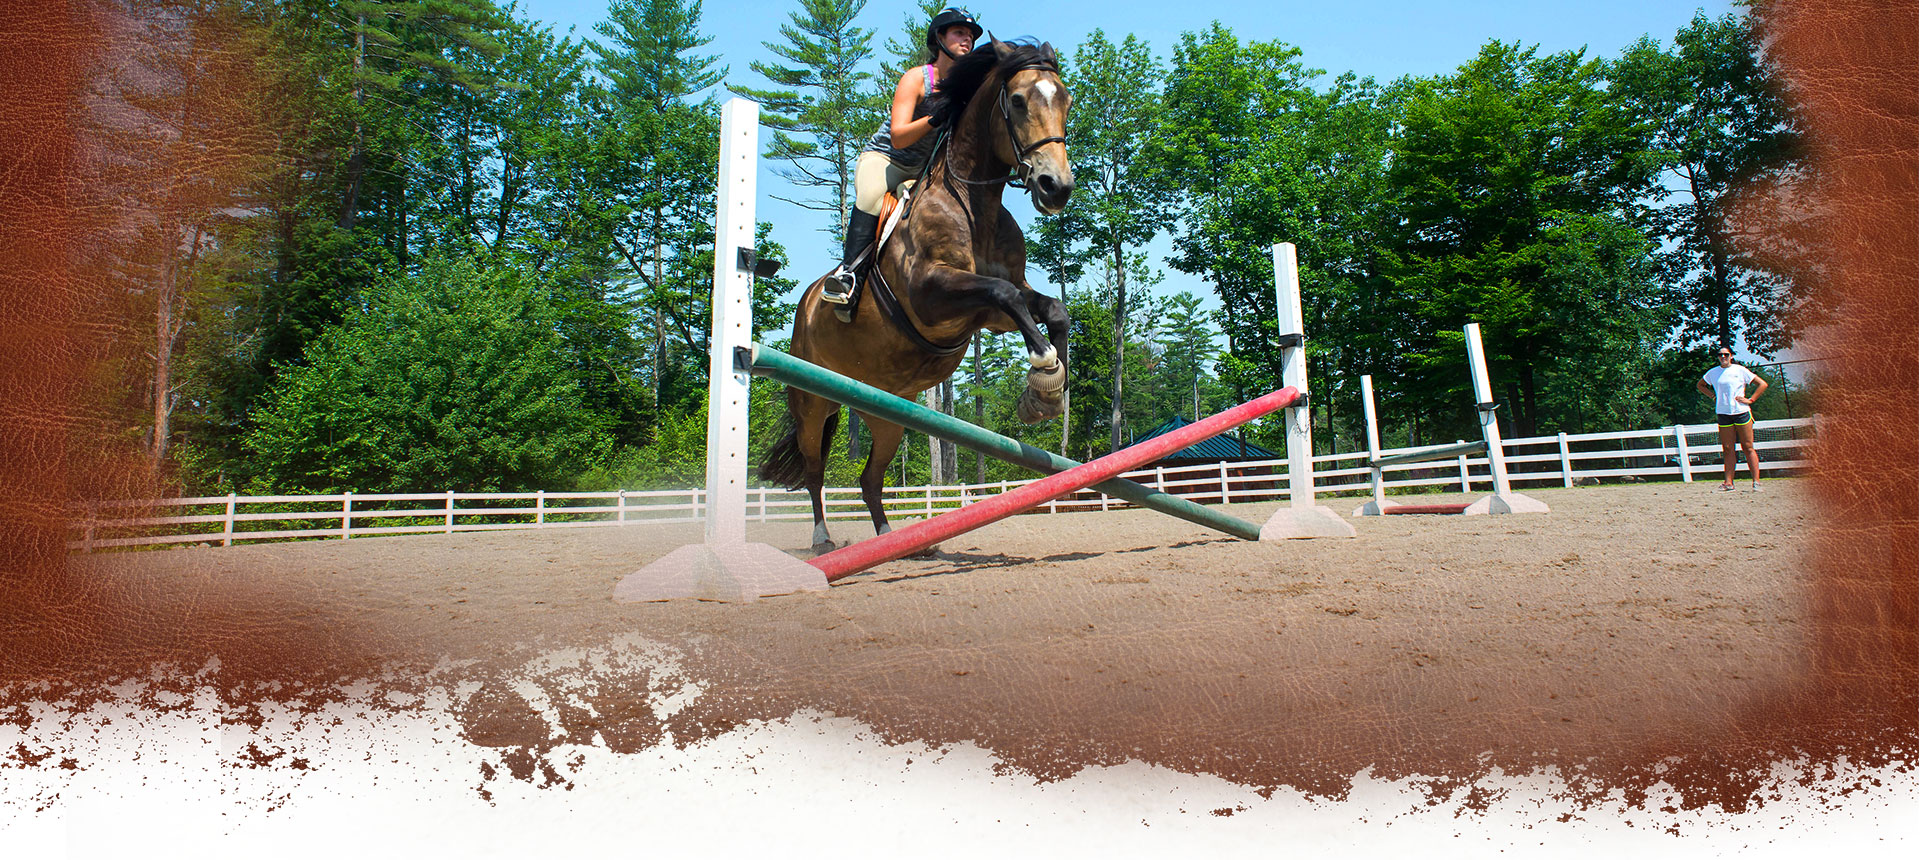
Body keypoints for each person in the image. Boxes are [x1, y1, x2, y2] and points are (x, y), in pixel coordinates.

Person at [824, 7, 983, 312]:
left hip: (923, 170)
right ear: (940, 38)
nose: (967, 40)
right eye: (959, 33)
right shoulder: (917, 79)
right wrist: (936, 120)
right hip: (886, 160)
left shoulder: (967, 88)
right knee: (870, 198)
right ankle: (848, 277)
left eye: (970, 36)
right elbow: (899, 135)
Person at [1697, 347, 1770, 491]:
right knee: (1728, 448)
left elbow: (1762, 384)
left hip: (1741, 412)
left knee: (1748, 447)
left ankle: (1756, 482)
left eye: (1726, 354)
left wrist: (1751, 399)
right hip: (1723, 414)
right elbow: (1700, 385)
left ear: (1731, 356)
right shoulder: (1713, 373)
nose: (1723, 357)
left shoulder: (1740, 370)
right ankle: (1728, 483)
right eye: (1720, 354)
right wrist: (1713, 396)